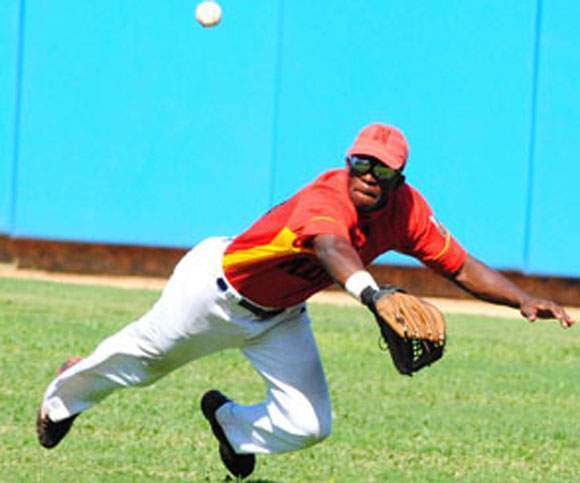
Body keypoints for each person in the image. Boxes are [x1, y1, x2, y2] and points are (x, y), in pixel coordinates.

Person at [37, 123, 574, 479]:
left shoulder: (407, 210)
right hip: (214, 292)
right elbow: (332, 247)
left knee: (310, 425)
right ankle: (62, 396)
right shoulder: (326, 195)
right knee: (140, 364)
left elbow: (458, 263)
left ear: (399, 178)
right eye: (361, 163)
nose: (369, 176)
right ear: (348, 162)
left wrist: (523, 299)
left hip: (282, 316)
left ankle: (231, 428)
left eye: (383, 170)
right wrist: (373, 295)